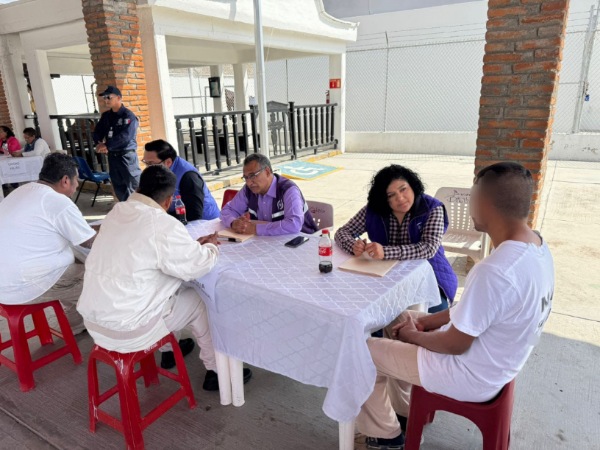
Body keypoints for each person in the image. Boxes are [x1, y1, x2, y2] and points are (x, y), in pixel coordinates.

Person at [355, 162, 555, 449]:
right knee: (396, 317)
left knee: (359, 353)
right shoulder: (537, 246)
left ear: (485, 205)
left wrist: (413, 335)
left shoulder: (495, 270)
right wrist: (424, 322)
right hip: (498, 360)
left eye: (473, 196)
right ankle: (406, 412)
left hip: (469, 373)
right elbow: (477, 313)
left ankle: (385, 436)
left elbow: (454, 345)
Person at [77, 165, 252, 390]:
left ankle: (169, 351)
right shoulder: (161, 223)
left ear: (139, 188)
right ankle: (217, 371)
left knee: (169, 289)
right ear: (169, 201)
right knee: (198, 299)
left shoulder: (117, 211)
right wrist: (210, 247)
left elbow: (152, 253)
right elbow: (198, 266)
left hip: (95, 323)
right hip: (128, 331)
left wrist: (191, 247)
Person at [335, 164, 457, 313]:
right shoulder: (374, 209)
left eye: (403, 189)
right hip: (384, 275)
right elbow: (343, 232)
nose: (400, 198)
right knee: (362, 306)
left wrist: (385, 252)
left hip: (430, 275)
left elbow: (429, 248)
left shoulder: (431, 208)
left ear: (413, 186)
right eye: (390, 195)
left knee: (425, 315)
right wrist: (353, 245)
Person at [0, 153, 97, 334]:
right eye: (76, 180)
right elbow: (89, 242)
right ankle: (110, 329)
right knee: (100, 277)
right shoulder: (57, 201)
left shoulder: (23, 190)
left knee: (71, 254)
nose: (77, 186)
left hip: (4, 282)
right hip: (23, 286)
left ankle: (76, 323)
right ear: (65, 180)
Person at [220, 154, 318, 235]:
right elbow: (228, 210)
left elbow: (294, 224)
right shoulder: (248, 190)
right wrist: (233, 222)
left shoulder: (288, 190)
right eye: (246, 178)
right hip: (269, 241)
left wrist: (256, 229)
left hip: (301, 241)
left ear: (267, 172)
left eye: (252, 176)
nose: (249, 182)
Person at [142, 139, 220, 221]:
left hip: (204, 222)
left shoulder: (188, 176)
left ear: (168, 162)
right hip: (176, 218)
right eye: (146, 163)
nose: (147, 167)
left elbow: (194, 213)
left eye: (151, 163)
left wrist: (163, 218)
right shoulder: (158, 172)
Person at [92, 85, 141, 201]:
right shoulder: (106, 116)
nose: (106, 100)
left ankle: (140, 209)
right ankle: (126, 208)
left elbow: (126, 137)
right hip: (113, 156)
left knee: (134, 186)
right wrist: (98, 143)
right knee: (119, 187)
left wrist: (107, 145)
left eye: (109, 97)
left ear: (119, 98)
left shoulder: (128, 116)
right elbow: (98, 131)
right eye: (104, 98)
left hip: (126, 156)